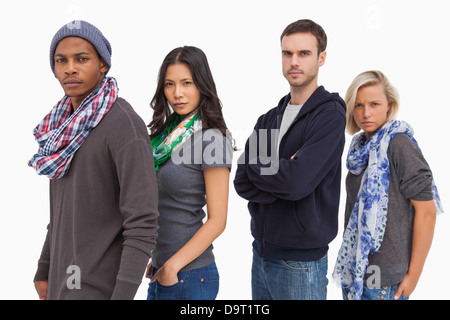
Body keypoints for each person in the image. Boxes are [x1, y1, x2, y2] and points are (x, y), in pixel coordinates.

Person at [29, 20, 159, 300]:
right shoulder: (62, 131)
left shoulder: (124, 126)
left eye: (82, 59)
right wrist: (44, 269)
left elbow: (143, 222)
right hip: (63, 283)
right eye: (61, 60)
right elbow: (63, 211)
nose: (70, 68)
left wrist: (123, 295)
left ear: (103, 65)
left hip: (98, 288)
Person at [233, 19, 346, 300]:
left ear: (321, 58)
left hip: (301, 264)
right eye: (287, 53)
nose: (294, 61)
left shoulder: (329, 116)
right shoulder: (269, 117)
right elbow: (241, 182)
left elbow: (296, 182)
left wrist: (263, 165)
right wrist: (282, 173)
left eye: (303, 54)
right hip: (260, 254)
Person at [332, 70, 443, 300]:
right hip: (357, 274)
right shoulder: (358, 147)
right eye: (359, 105)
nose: (366, 113)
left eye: (374, 104)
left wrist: (414, 276)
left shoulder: (399, 144)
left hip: (385, 283)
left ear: (389, 106)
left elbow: (427, 212)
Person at [145, 46, 233, 300]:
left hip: (190, 275)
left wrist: (173, 266)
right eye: (169, 84)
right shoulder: (165, 137)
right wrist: (160, 260)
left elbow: (218, 221)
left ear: (202, 85)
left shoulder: (211, 139)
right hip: (164, 270)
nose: (177, 93)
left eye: (187, 83)